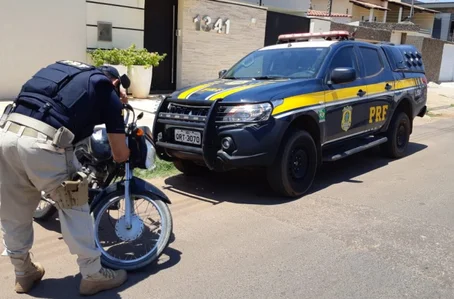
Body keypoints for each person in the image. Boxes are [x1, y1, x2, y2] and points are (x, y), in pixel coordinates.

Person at [0, 61, 132, 296]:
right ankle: (93, 275)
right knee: (75, 206)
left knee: (14, 210)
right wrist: (117, 108)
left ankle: (24, 273)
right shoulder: (105, 88)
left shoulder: (67, 73)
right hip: (43, 144)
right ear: (116, 82)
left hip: (7, 135)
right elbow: (120, 154)